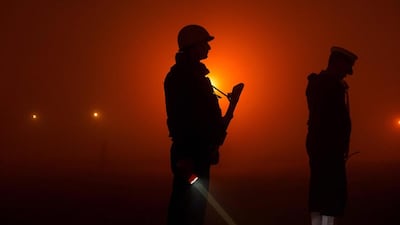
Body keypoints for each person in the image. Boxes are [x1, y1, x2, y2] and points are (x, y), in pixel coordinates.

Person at [164, 24, 226, 225]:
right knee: (184, 207)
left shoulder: (196, 77)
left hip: (199, 154)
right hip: (189, 157)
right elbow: (179, 118)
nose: (208, 49)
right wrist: (183, 157)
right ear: (192, 47)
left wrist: (213, 143)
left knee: (196, 207)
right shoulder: (180, 79)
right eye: (204, 44)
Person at [305, 46, 358, 225]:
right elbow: (329, 120)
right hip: (326, 149)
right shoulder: (327, 85)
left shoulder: (323, 84)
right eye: (345, 68)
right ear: (337, 64)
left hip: (326, 148)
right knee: (327, 198)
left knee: (324, 197)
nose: (346, 74)